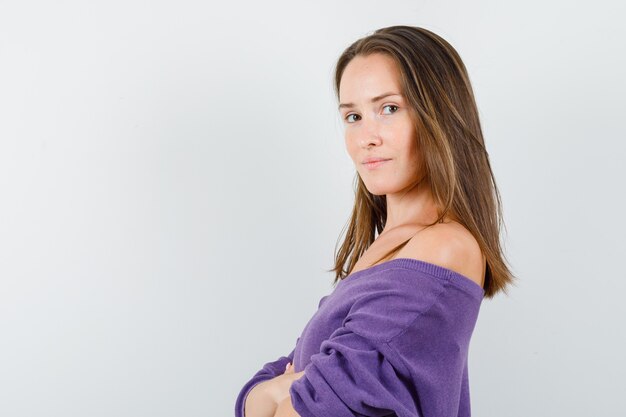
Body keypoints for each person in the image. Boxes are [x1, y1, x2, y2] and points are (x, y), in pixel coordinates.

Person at [235, 25, 517, 417]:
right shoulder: (385, 251)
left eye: (389, 109)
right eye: (352, 116)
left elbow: (303, 407)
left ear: (439, 115)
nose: (366, 137)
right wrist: (273, 392)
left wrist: (279, 391)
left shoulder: (441, 248)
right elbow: (264, 391)